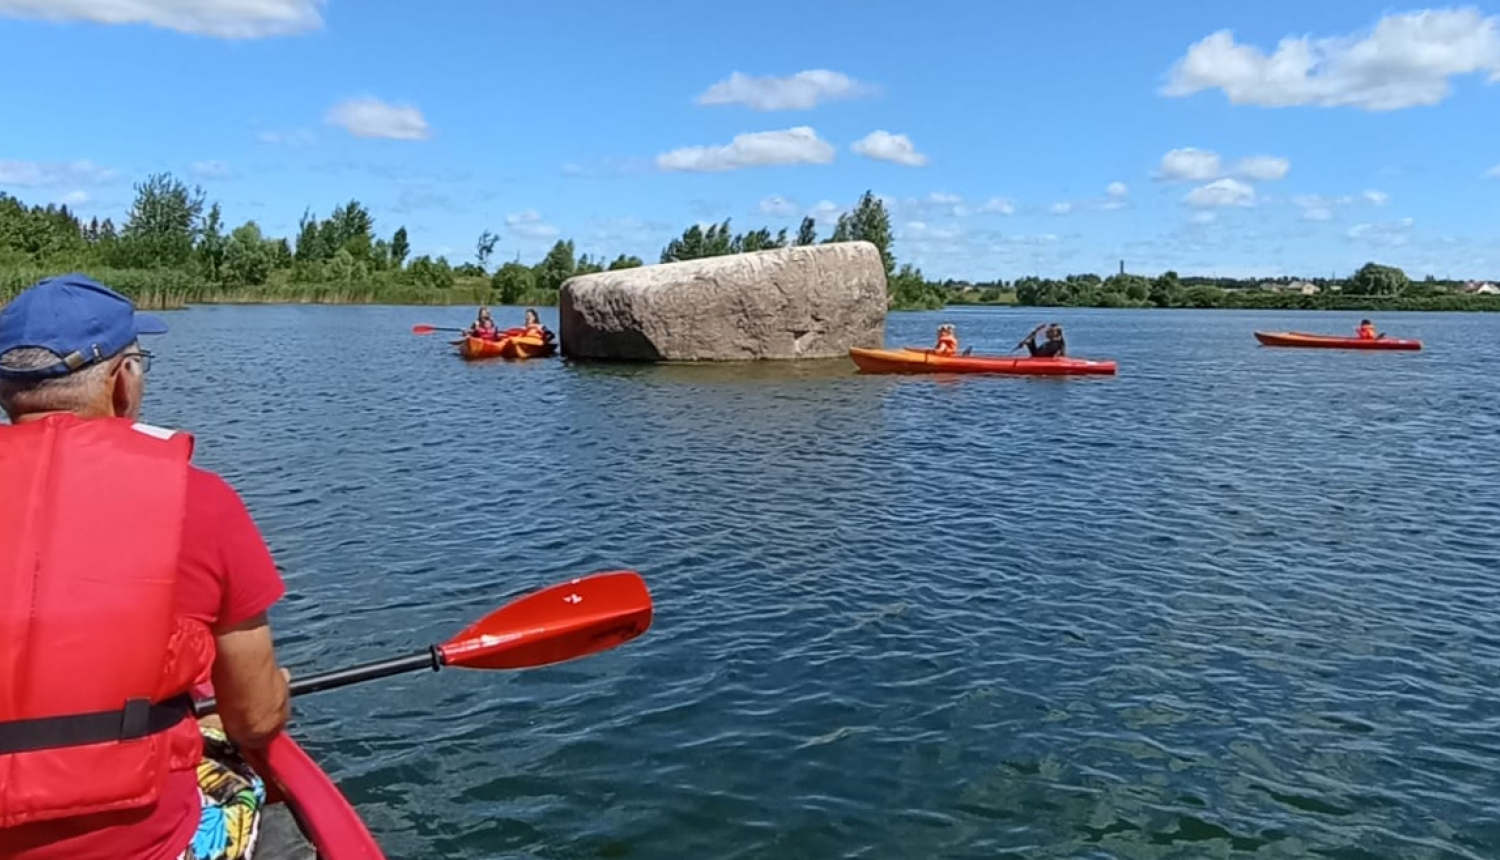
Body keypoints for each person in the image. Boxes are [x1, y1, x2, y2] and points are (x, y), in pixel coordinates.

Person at [0, 274, 292, 860]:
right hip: (147, 844)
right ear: (122, 380)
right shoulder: (201, 501)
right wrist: (275, 693)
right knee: (257, 795)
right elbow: (255, 719)